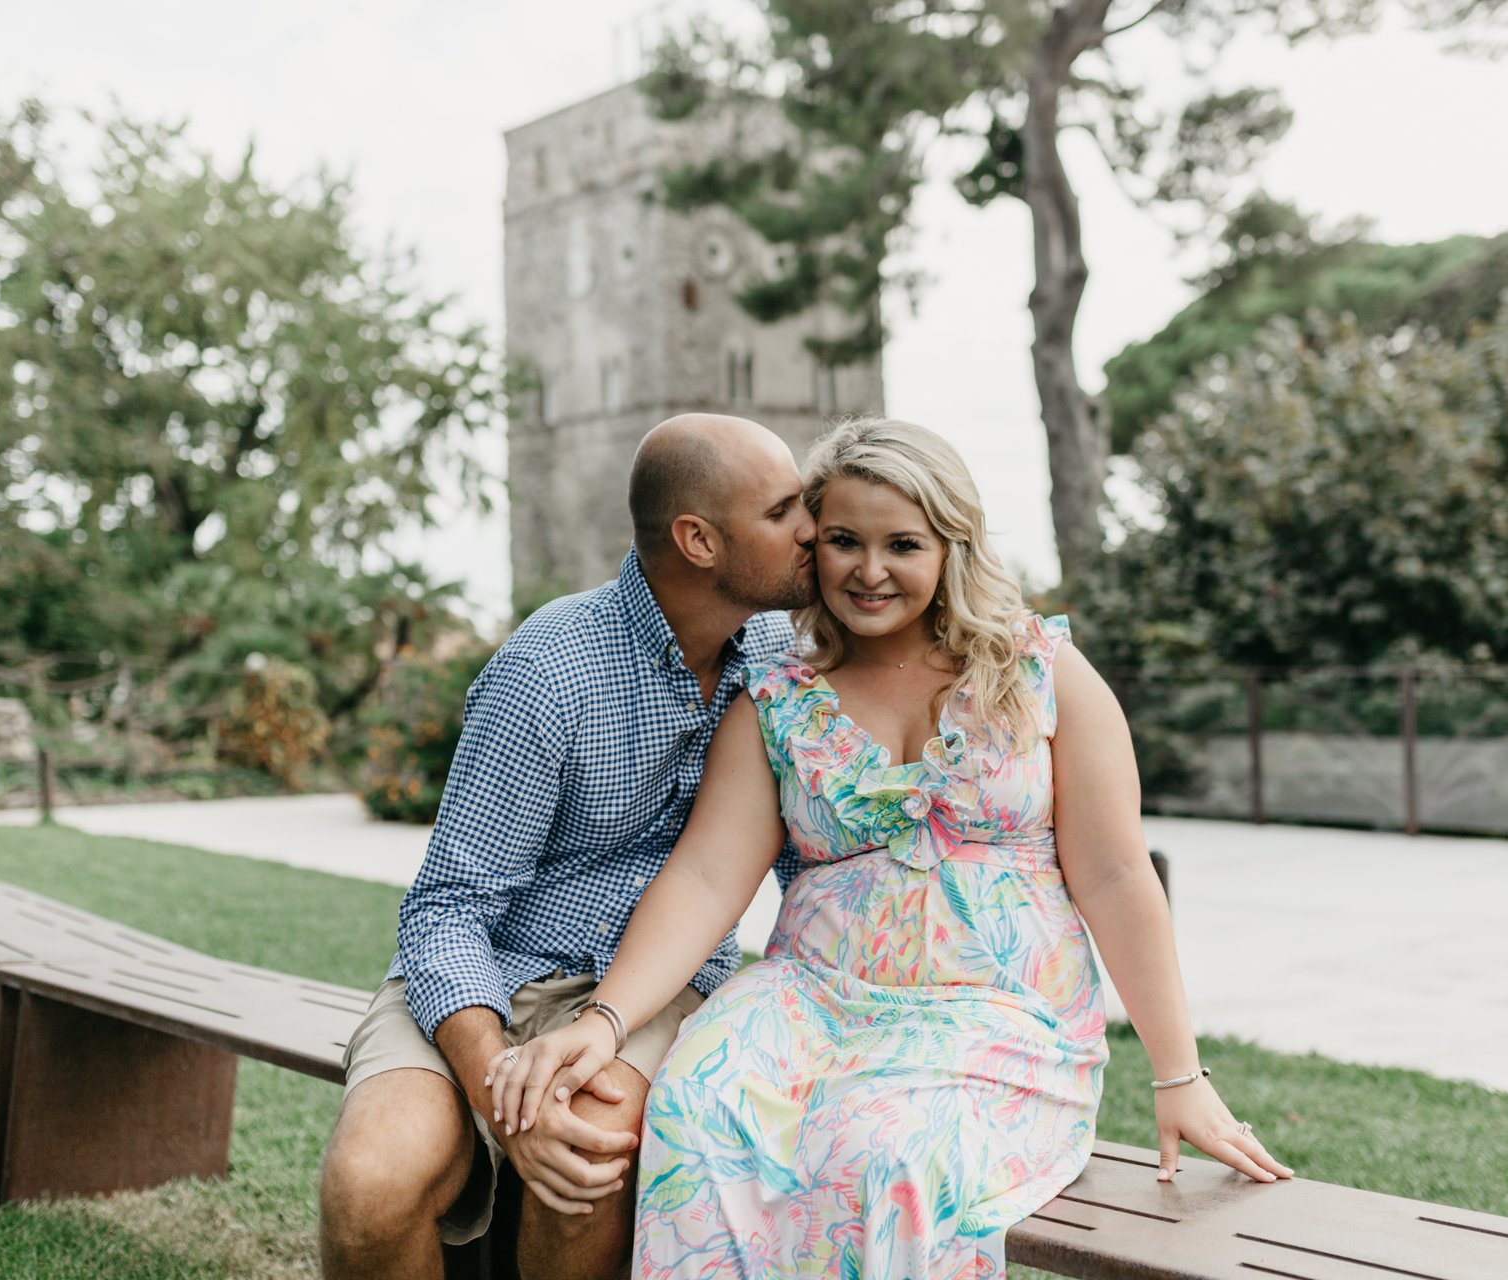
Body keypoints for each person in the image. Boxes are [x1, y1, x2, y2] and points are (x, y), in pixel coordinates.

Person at [489, 417, 1293, 1277]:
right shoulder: (779, 698)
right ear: (813, 546)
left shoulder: (1039, 674)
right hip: (813, 1004)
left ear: (951, 546)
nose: (870, 571)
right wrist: (608, 1021)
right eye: (843, 541)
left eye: (902, 544)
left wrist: (1180, 1076)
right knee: (702, 1106)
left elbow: (1115, 871)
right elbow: (705, 876)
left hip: (997, 1020)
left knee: (888, 1155)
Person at [317, 412, 817, 1280]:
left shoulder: (779, 659)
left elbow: (808, 861)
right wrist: (500, 1084)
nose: (811, 528)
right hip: (486, 980)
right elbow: (445, 911)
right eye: (783, 512)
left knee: (591, 1151)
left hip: (652, 985)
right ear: (698, 540)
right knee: (369, 1185)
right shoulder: (549, 670)